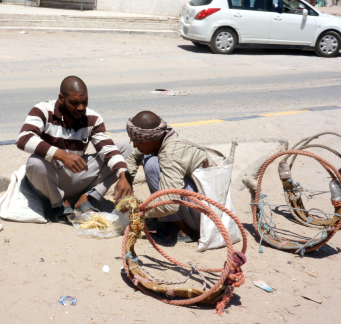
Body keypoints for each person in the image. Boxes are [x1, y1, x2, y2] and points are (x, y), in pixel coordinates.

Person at [17, 76, 133, 223]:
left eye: (84, 102)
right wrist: (61, 155)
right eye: (74, 103)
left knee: (125, 150)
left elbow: (107, 149)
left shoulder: (92, 118)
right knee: (35, 163)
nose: (80, 108)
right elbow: (24, 139)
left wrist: (123, 175)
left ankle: (85, 199)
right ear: (61, 98)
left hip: (76, 176)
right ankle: (60, 204)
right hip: (49, 179)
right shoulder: (43, 111)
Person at [123, 111, 214, 245]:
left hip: (207, 217)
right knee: (147, 156)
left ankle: (185, 230)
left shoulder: (171, 154)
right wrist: (126, 179)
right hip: (198, 208)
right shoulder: (161, 137)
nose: (135, 145)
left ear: (152, 138)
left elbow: (169, 205)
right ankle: (171, 221)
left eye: (137, 141)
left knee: (151, 165)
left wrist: (137, 210)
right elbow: (133, 157)